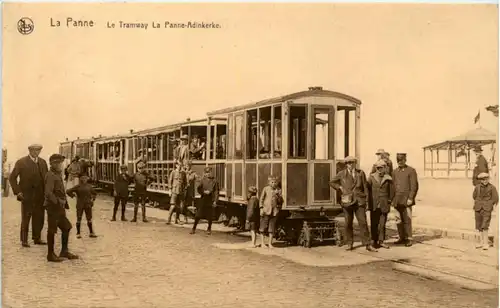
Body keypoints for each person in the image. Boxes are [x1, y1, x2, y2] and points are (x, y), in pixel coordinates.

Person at [330, 156, 377, 252]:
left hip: (359, 201)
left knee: (363, 223)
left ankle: (367, 244)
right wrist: (339, 187)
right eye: (348, 163)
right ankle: (349, 243)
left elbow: (365, 187)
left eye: (352, 162)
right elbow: (332, 182)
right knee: (348, 223)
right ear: (346, 164)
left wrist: (367, 201)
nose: (350, 165)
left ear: (355, 163)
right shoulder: (342, 174)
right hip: (347, 202)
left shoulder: (360, 173)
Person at [9, 144, 49, 247]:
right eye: (35, 150)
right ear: (30, 150)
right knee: (26, 218)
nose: (37, 153)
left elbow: (46, 179)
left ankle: (37, 238)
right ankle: (24, 240)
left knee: (39, 217)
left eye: (39, 150)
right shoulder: (21, 162)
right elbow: (12, 178)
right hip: (27, 195)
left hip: (40, 196)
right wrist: (18, 192)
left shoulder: (43, 162)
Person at [44, 154, 78, 262]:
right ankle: (50, 255)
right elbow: (48, 192)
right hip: (53, 207)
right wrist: (58, 202)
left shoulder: (57, 174)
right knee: (52, 230)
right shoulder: (50, 175)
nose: (60, 165)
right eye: (58, 163)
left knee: (66, 227)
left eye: (60, 163)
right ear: (52, 164)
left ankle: (64, 251)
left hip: (59, 207)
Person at [392, 153, 419, 247]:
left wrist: (411, 198)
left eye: (401, 160)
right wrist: (393, 200)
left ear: (405, 160)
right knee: (398, 219)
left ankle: (409, 238)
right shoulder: (395, 172)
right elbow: (393, 186)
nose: (400, 162)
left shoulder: (411, 171)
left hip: (406, 200)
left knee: (407, 219)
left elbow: (414, 186)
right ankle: (401, 237)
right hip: (397, 200)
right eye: (398, 160)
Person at [367, 160, 394, 249]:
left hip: (384, 204)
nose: (379, 169)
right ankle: (374, 241)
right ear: (376, 168)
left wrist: (389, 201)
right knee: (374, 223)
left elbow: (391, 191)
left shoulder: (388, 178)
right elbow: (368, 190)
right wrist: (368, 202)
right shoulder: (371, 177)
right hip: (374, 204)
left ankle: (381, 241)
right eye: (378, 168)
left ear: (385, 168)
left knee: (382, 224)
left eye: (381, 168)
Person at [66, 174, 98, 239]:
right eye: (83, 178)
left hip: (88, 205)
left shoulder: (89, 186)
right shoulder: (77, 186)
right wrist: (73, 196)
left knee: (89, 219)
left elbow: (95, 193)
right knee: (79, 218)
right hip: (80, 205)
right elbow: (68, 191)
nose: (84, 179)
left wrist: (92, 200)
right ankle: (78, 233)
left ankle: (91, 233)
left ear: (87, 179)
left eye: (85, 178)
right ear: (80, 179)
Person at [190, 167, 219, 235]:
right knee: (198, 215)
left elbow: (216, 192)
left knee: (210, 216)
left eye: (209, 172)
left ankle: (209, 229)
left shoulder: (215, 181)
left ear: (211, 172)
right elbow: (199, 189)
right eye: (206, 173)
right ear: (205, 173)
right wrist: (203, 192)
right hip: (203, 199)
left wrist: (215, 201)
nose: (208, 174)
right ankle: (193, 228)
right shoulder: (203, 180)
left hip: (210, 200)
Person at [473, 173, 498, 250]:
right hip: (478, 208)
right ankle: (481, 242)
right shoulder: (477, 187)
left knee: (485, 225)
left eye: (486, 179)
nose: (485, 181)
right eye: (483, 179)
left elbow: (495, 198)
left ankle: (485, 243)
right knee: (479, 226)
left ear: (488, 179)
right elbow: (474, 196)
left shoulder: (492, 188)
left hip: (487, 209)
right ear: (480, 180)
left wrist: (489, 204)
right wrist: (478, 202)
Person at [259, 176, 283, 249]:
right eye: (272, 182)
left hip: (274, 212)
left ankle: (270, 243)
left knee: (271, 228)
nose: (273, 184)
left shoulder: (278, 190)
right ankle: (262, 243)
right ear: (269, 183)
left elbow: (280, 201)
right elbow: (261, 199)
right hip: (266, 210)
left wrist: (278, 195)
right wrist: (261, 208)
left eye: (275, 182)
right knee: (263, 227)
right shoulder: (266, 189)